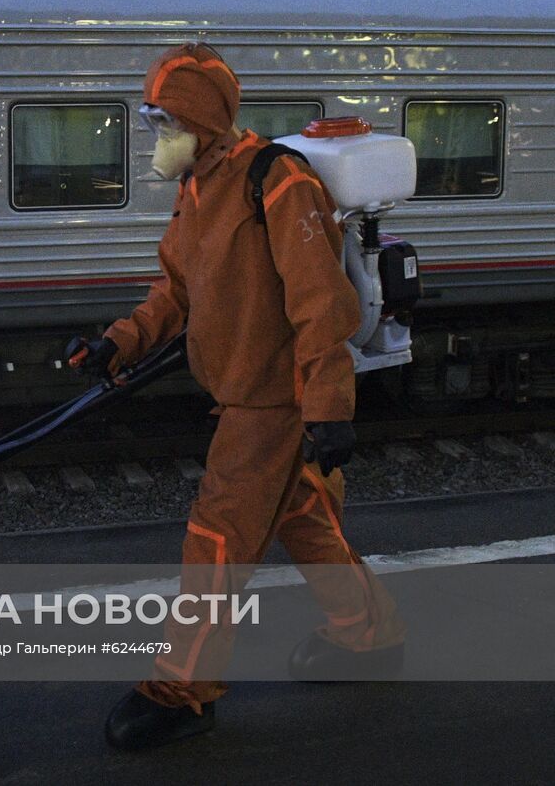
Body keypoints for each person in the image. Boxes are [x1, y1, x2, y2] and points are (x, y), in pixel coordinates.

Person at [72, 43, 405, 751]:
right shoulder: (197, 189)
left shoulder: (276, 182)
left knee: (216, 537)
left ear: (203, 122)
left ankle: (182, 691)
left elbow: (323, 304)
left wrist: (328, 406)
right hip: (241, 394)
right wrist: (120, 341)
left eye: (167, 125)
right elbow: (177, 290)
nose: (159, 141)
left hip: (272, 402)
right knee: (305, 516)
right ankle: (368, 632)